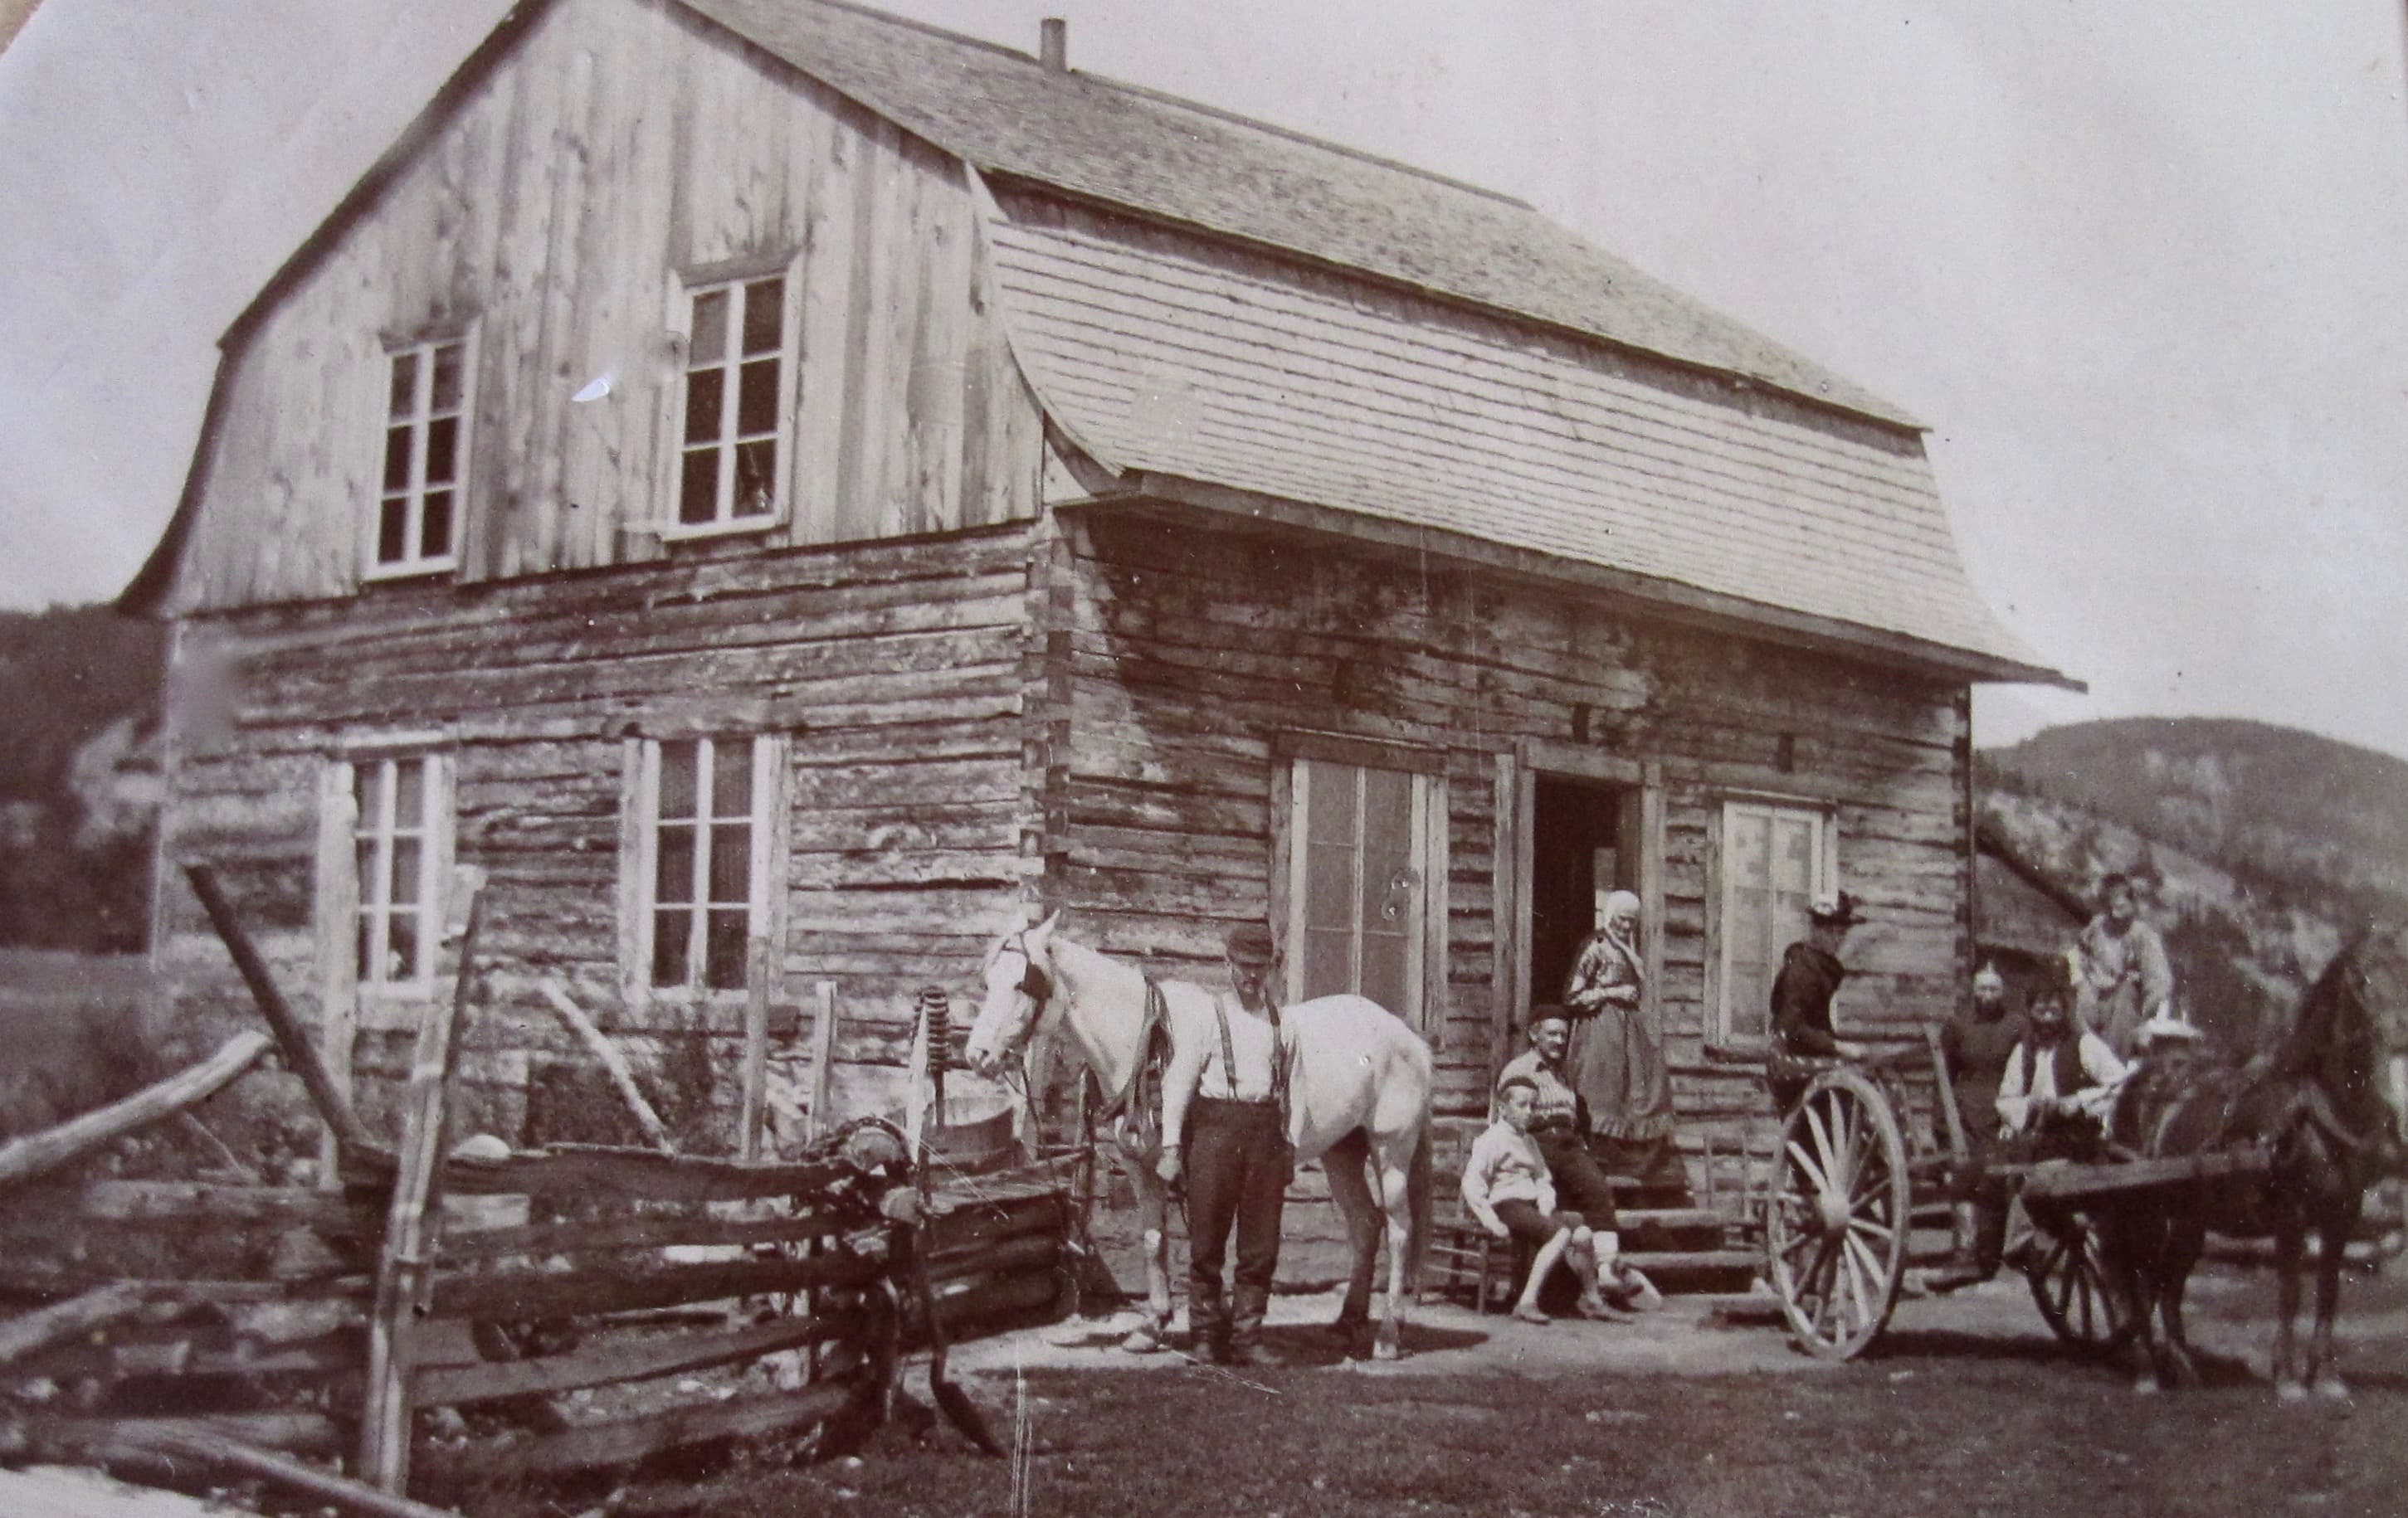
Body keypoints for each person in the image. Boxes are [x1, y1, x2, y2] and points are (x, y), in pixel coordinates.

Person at [1158, 922, 1293, 1367]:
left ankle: (1248, 1338)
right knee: (1207, 1240)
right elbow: (1178, 1084)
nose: (1252, 977)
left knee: (1260, 1245)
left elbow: (1298, 1088)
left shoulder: (1282, 1021)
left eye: (1260, 968)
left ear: (1271, 969)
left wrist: (1289, 1144)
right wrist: (1172, 1148)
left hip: (1265, 1134)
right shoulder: (1208, 1016)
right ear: (1227, 965)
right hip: (1215, 1131)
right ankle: (1203, 1337)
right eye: (1244, 967)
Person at [1494, 1007, 1659, 1312]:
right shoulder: (1519, 1069)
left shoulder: (1565, 1072)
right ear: (1535, 1035)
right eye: (1552, 1034)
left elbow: (1577, 1115)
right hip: (1536, 1142)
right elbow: (1506, 1116)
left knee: (1598, 1189)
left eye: (1563, 1035)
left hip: (1568, 1143)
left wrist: (1581, 1143)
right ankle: (1540, 1290)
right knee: (1546, 1204)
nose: (1559, 1041)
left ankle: (1607, 1268)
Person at [1462, 1075, 1628, 1324]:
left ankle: (1592, 1299)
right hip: (1506, 1204)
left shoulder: (1529, 1142)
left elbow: (1542, 1177)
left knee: (1582, 1233)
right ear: (1503, 1108)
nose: (1529, 1112)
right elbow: (1472, 1183)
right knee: (1560, 1234)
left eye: (1533, 1106)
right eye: (1522, 1105)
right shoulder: (1491, 1140)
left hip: (1531, 1206)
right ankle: (1526, 1302)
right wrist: (1488, 1218)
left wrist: (1546, 1200)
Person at [1563, 890, 1683, 1194]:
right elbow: (1572, 995)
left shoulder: (1629, 950)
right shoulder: (1596, 947)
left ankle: (1632, 1167)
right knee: (1601, 1089)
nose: (1625, 927)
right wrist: (1611, 993)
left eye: (1631, 922)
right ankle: (1596, 1161)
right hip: (1600, 1029)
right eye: (1621, 920)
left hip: (1630, 1031)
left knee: (1641, 1091)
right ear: (1610, 916)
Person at [1925, 961, 2030, 1292]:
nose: (1987, 995)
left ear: (2003, 991)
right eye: (1982, 988)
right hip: (1965, 1111)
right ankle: (1964, 1254)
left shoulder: (2016, 1026)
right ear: (1973, 990)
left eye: (1993, 989)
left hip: (2002, 1108)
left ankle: (1999, 1254)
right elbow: (1943, 1076)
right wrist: (1943, 1122)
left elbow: (2026, 1071)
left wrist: (2017, 1114)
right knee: (1966, 1176)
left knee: (1999, 1179)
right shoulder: (1957, 1025)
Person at [1767, 891, 1869, 1111]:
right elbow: (1791, 1028)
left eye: (1842, 933)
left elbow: (1817, 1021)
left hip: (1812, 1056)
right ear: (1816, 930)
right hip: (1794, 1064)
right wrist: (1836, 1046)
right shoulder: (1801, 970)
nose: (1838, 939)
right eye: (1831, 932)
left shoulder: (1820, 967)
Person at [2073, 873, 2173, 1060]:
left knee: (2126, 995)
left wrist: (2149, 1014)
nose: (2114, 913)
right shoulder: (2098, 926)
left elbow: (2158, 980)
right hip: (2095, 997)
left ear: (2132, 903)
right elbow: (2079, 952)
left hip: (2125, 1005)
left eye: (2120, 906)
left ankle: (2114, 1060)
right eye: (2108, 906)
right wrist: (2081, 978)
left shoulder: (2143, 935)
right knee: (2083, 1000)